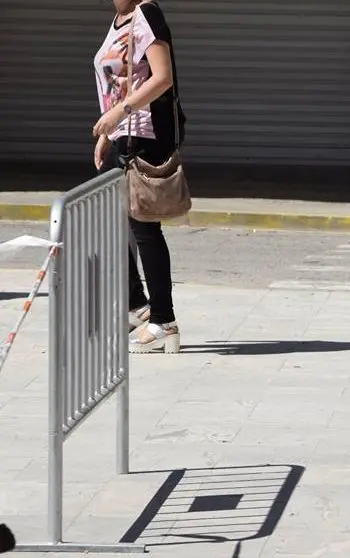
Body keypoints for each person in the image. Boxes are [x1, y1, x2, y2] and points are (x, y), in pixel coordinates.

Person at [92, 0, 185, 354]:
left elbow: (163, 77)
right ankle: (139, 306)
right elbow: (122, 83)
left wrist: (119, 115)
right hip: (122, 135)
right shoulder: (119, 19)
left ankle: (163, 320)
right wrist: (107, 134)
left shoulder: (147, 12)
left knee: (144, 229)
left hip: (143, 137)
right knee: (107, 221)